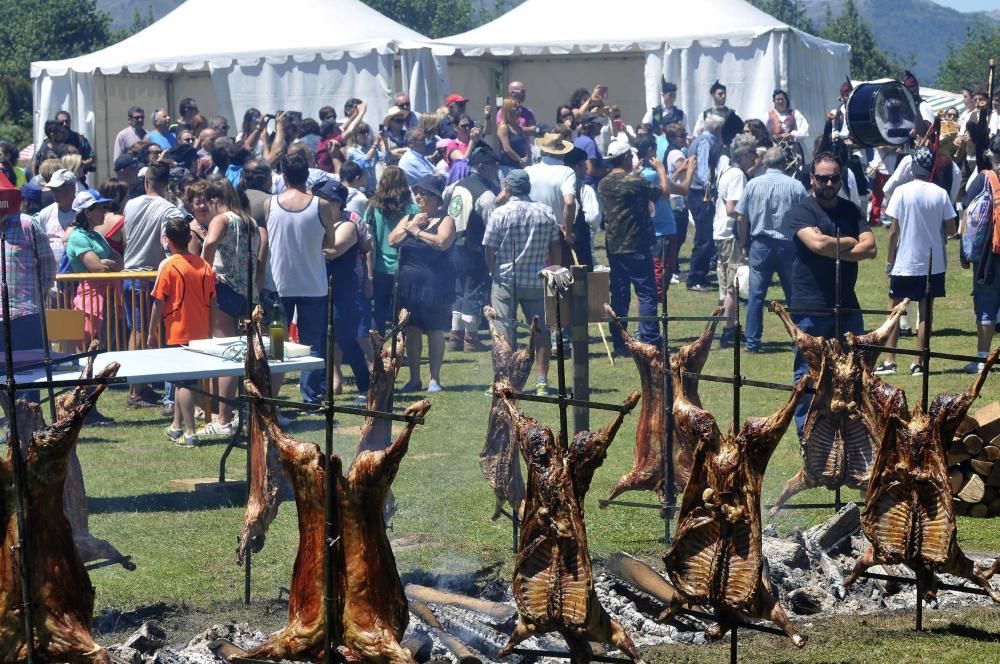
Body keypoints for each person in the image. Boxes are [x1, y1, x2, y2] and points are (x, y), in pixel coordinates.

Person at [788, 152, 877, 434]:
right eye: (822, 177)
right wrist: (850, 242)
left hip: (847, 305)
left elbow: (871, 249)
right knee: (809, 374)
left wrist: (833, 244)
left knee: (853, 371)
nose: (828, 182)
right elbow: (815, 245)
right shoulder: (803, 210)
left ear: (841, 178)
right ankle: (808, 435)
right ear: (812, 178)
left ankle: (848, 434)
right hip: (811, 306)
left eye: (834, 177)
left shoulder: (851, 211)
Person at [876, 146, 957, 376]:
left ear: (913, 167)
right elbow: (951, 228)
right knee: (925, 313)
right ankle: (918, 362)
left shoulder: (902, 191)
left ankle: (890, 361)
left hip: (905, 262)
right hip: (933, 263)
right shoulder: (939, 193)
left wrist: (889, 260)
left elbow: (893, 231)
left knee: (894, 310)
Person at [265, 151, 337, 403]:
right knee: (312, 344)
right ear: (307, 176)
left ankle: (273, 397)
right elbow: (331, 242)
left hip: (279, 284)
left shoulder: (270, 204)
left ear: (284, 176)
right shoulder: (322, 205)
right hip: (313, 284)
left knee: (276, 344)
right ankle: (310, 397)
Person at [483, 169, 561, 396]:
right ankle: (542, 381)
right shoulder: (545, 212)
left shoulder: (500, 213)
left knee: (503, 330)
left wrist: (492, 271)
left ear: (507, 188)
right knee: (541, 331)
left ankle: (503, 379)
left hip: (506, 280)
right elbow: (555, 246)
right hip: (536, 279)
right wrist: (553, 271)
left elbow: (488, 247)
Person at [147, 216, 215, 448]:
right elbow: (212, 301)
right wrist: (211, 330)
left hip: (177, 331)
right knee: (184, 381)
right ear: (189, 238)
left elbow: (158, 301)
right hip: (200, 332)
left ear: (167, 240)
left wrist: (151, 332)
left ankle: (189, 433)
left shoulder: (168, 266)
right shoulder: (204, 265)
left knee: (182, 383)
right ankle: (176, 427)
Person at [122, 160, 184, 408]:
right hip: (150, 276)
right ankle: (136, 391)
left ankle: (139, 386)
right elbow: (167, 241)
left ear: (147, 181)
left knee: (136, 332)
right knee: (143, 332)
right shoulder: (169, 209)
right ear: (166, 183)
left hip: (129, 274)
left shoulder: (130, 204)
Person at [599, 138, 668, 355]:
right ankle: (650, 338)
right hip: (636, 245)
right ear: (627, 157)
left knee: (619, 294)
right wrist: (661, 169)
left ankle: (620, 341)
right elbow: (663, 193)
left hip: (615, 245)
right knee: (646, 293)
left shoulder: (604, 184)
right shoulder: (634, 183)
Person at [736, 147, 807, 353]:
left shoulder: (752, 185)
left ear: (765, 163)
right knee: (793, 296)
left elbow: (741, 217)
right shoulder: (796, 186)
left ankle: (753, 341)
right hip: (788, 245)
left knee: (755, 296)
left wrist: (743, 244)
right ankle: (798, 340)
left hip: (761, 244)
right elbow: (806, 216)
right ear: (785, 163)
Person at [389, 175, 457, 393]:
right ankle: (414, 379)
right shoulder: (410, 217)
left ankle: (434, 379)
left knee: (435, 331)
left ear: (437, 199)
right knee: (412, 330)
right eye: (416, 192)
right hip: (409, 285)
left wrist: (416, 232)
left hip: (435, 284)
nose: (418, 196)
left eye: (424, 193)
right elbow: (392, 240)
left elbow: (442, 243)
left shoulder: (446, 220)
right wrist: (412, 225)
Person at [311, 179, 371, 400]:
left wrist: (306, 247)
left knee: (346, 337)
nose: (319, 203)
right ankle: (323, 386)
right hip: (320, 288)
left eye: (324, 199)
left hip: (343, 291)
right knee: (321, 339)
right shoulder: (318, 223)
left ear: (337, 203)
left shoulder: (348, 225)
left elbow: (333, 250)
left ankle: (366, 386)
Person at [447, 144, 504, 352]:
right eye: (493, 165)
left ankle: (455, 336)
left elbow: (446, 203)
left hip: (455, 245)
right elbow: (493, 227)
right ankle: (470, 340)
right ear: (482, 166)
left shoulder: (456, 186)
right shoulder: (486, 195)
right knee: (474, 291)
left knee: (459, 291)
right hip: (474, 248)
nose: (496, 169)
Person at [0, 205, 57, 402]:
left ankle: (30, 426)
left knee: (30, 375)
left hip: (26, 315)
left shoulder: (27, 224)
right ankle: (11, 422)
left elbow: (48, 266)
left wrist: (35, 298)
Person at [65, 188, 124, 342]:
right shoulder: (77, 237)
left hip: (107, 298)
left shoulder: (97, 235)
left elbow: (119, 262)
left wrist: (106, 262)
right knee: (90, 344)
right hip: (90, 301)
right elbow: (97, 268)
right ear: (87, 213)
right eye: (99, 208)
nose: (104, 212)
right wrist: (106, 264)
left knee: (108, 345)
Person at [366, 166, 419, 334]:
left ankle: (377, 348)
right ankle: (398, 347)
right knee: (401, 312)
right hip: (404, 266)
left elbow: (367, 236)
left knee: (379, 311)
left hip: (380, 266)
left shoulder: (373, 207)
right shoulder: (412, 209)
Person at [714, 138, 756, 348]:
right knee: (735, 284)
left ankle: (730, 324)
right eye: (751, 152)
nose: (755, 156)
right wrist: (744, 240)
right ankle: (728, 330)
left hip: (720, 232)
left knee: (728, 284)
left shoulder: (727, 172)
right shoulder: (738, 175)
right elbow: (733, 210)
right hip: (731, 235)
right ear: (740, 155)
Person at [685, 114, 724, 292]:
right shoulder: (706, 143)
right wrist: (713, 189)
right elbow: (702, 172)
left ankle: (700, 275)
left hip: (698, 193)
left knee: (705, 236)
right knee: (704, 237)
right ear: (717, 129)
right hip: (701, 194)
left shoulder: (700, 140)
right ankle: (695, 278)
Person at [635, 136, 676, 295]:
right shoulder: (652, 175)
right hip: (663, 230)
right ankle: (654, 307)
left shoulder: (637, 174)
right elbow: (666, 193)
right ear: (651, 150)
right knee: (661, 272)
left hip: (652, 229)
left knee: (656, 270)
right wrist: (661, 169)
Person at [35, 168, 77, 267]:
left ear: (72, 188)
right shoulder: (45, 214)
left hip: (76, 275)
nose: (55, 193)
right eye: (53, 189)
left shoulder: (83, 212)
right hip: (51, 274)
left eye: (60, 189)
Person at [694, 80, 743, 146]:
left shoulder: (733, 114)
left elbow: (740, 132)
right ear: (712, 94)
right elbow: (697, 134)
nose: (723, 96)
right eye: (720, 94)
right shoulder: (705, 115)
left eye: (725, 93)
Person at [767, 90, 809, 155]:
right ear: (774, 101)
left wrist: (791, 135)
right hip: (775, 151)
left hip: (793, 150)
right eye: (778, 99)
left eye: (782, 99)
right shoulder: (767, 116)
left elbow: (804, 132)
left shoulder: (795, 114)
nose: (780, 101)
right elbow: (763, 133)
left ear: (786, 100)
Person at [573, 113, 609, 187]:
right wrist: (608, 171)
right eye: (598, 124)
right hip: (591, 186)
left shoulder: (578, 139)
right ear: (590, 126)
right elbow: (590, 171)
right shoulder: (589, 143)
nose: (601, 126)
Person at [497, 98, 530, 176]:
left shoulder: (518, 128)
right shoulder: (503, 128)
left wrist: (526, 157)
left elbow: (524, 145)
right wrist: (520, 160)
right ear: (509, 111)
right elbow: (507, 148)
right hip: (508, 168)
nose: (519, 111)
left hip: (521, 166)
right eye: (516, 108)